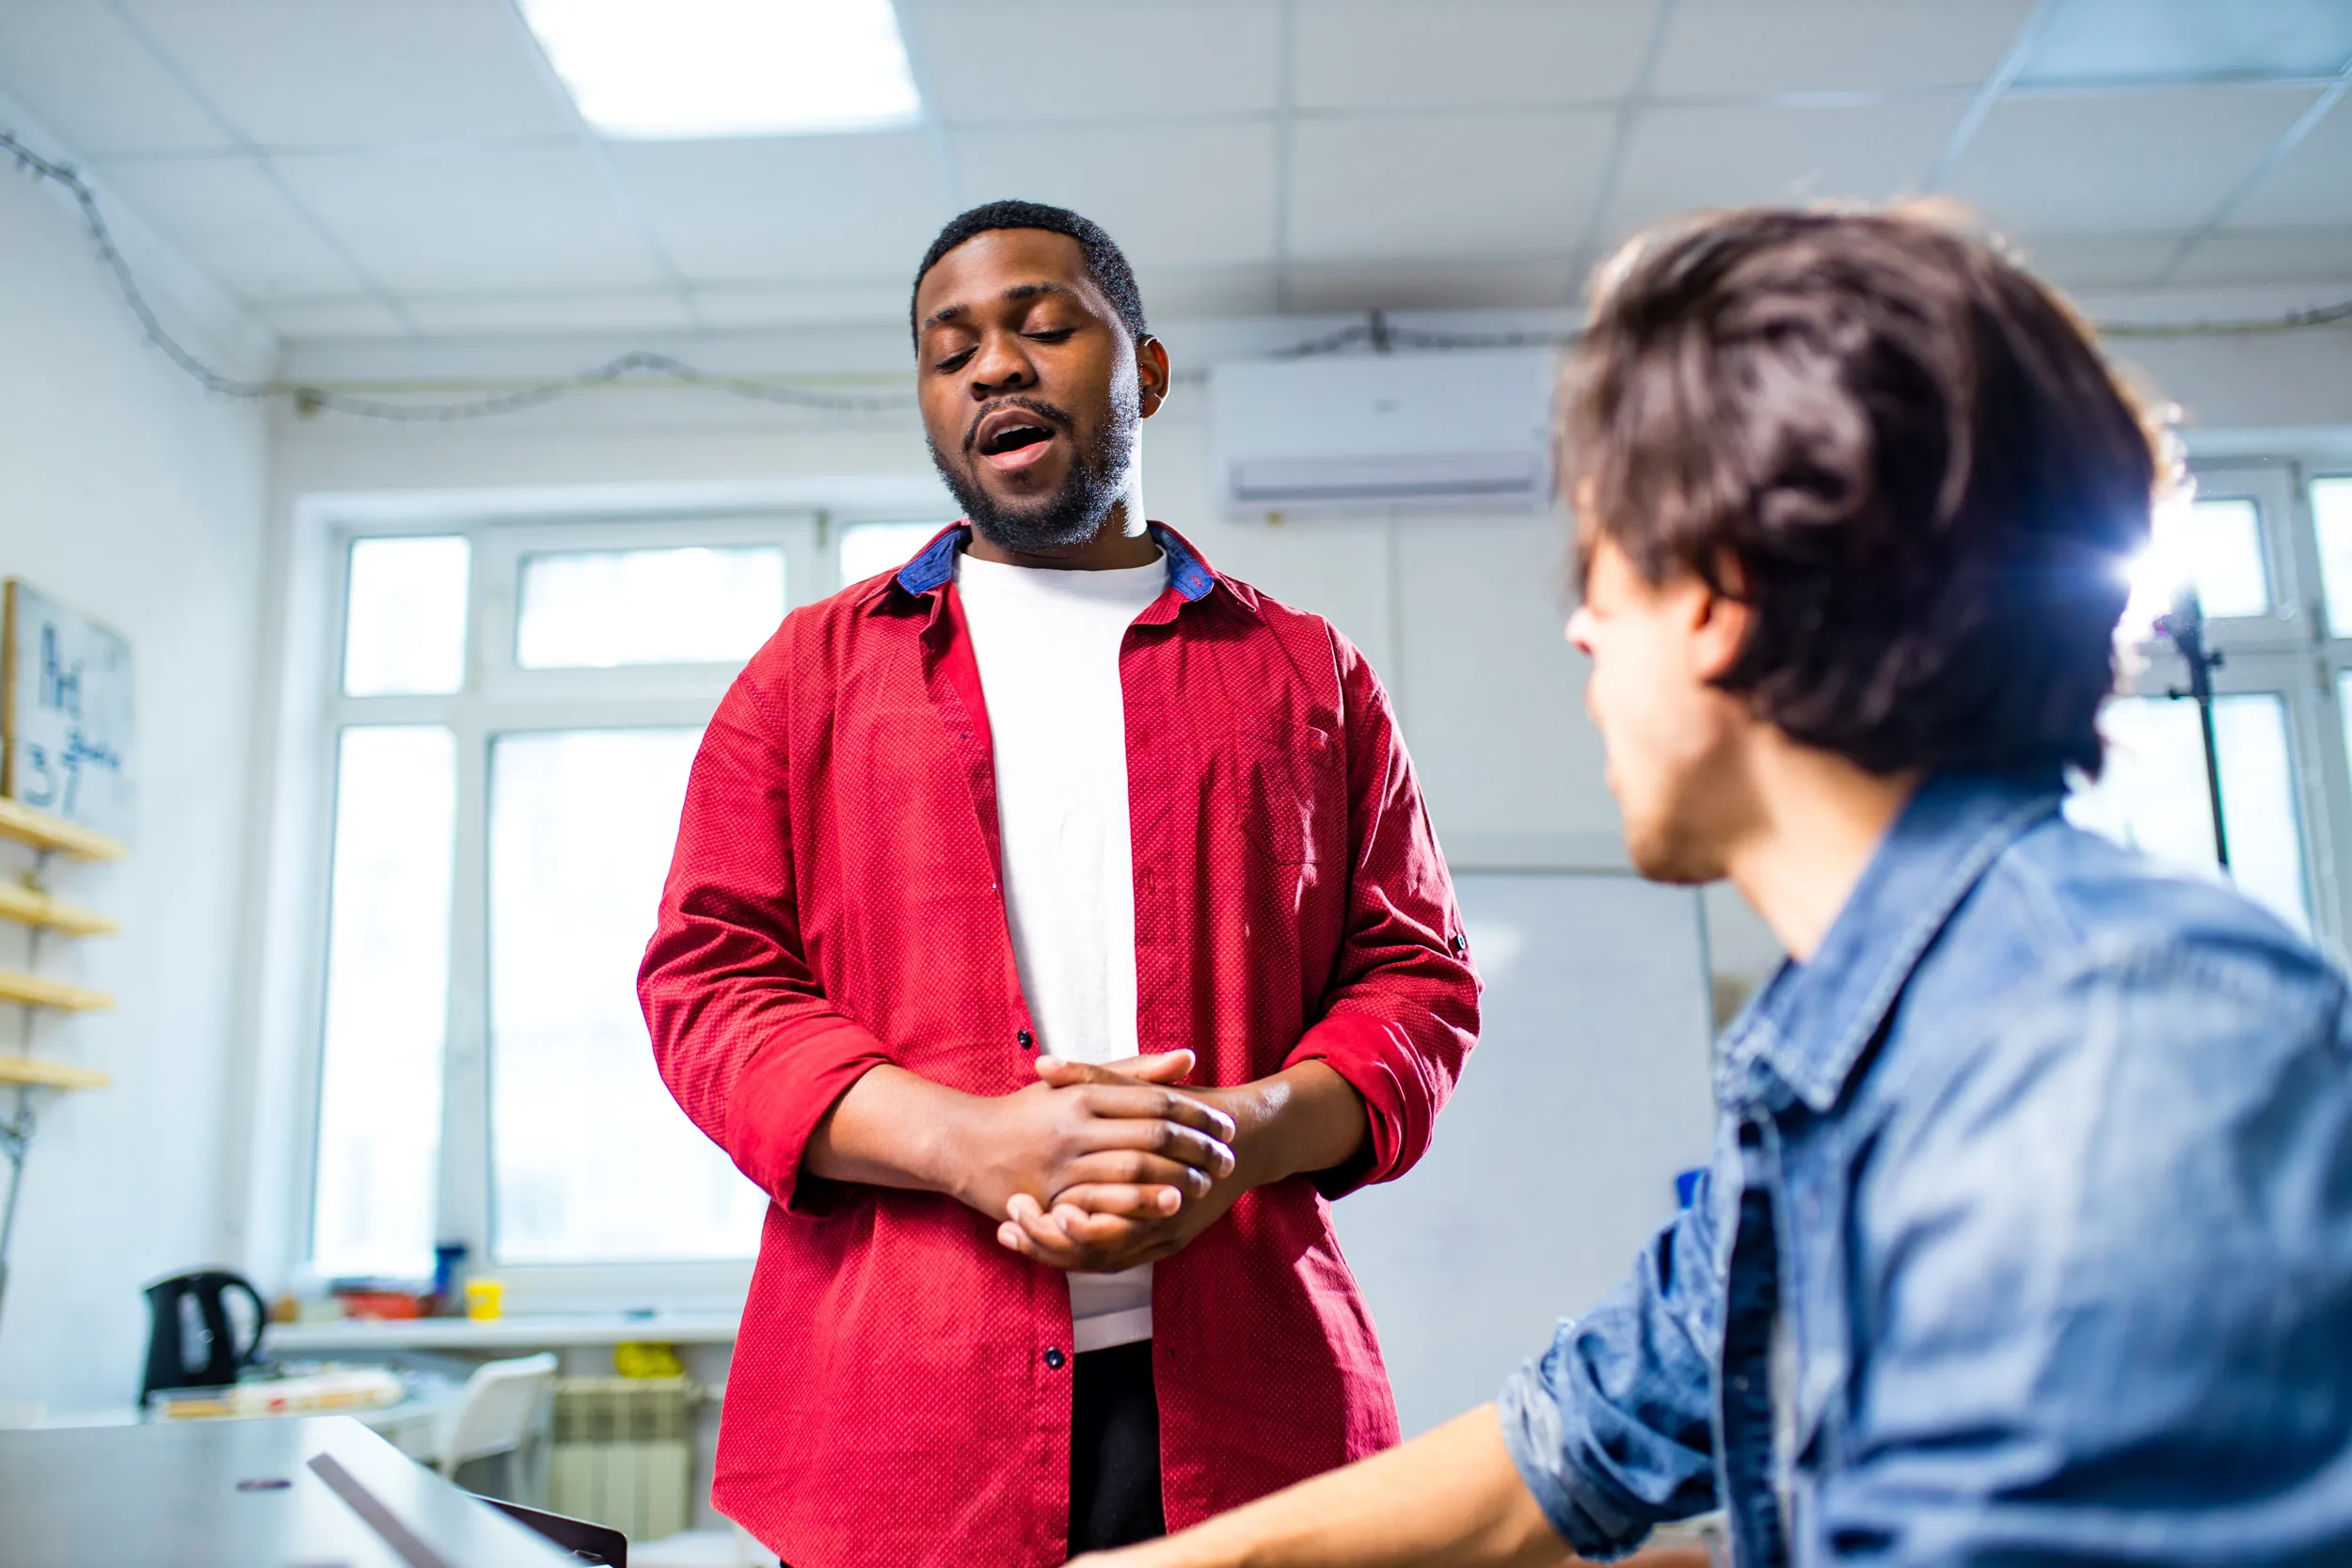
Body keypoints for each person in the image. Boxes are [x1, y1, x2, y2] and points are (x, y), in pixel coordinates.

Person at [1073, 206, 2352, 1567]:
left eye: (1601, 562)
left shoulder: (2105, 1044)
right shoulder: (1845, 1053)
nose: (1579, 625)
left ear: (1722, 589)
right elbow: (1582, 1434)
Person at [637, 199, 1479, 1568]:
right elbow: (708, 988)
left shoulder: (1306, 673)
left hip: (1256, 1423)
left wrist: (1242, 1131)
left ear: (1142, 369)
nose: (994, 367)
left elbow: (1417, 983)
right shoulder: (807, 677)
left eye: (1044, 326)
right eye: (948, 347)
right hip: (898, 1431)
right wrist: (967, 1142)